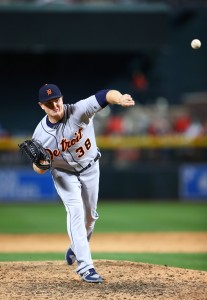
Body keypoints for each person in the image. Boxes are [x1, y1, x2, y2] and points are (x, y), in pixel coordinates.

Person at [32, 83, 135, 283]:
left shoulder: (79, 110)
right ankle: (85, 266)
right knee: (76, 211)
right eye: (49, 103)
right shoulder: (40, 135)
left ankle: (76, 248)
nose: (55, 105)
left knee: (90, 218)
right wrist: (41, 165)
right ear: (41, 106)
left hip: (90, 168)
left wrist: (120, 98)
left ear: (62, 98)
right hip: (64, 175)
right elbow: (37, 168)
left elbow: (105, 94)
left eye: (57, 100)